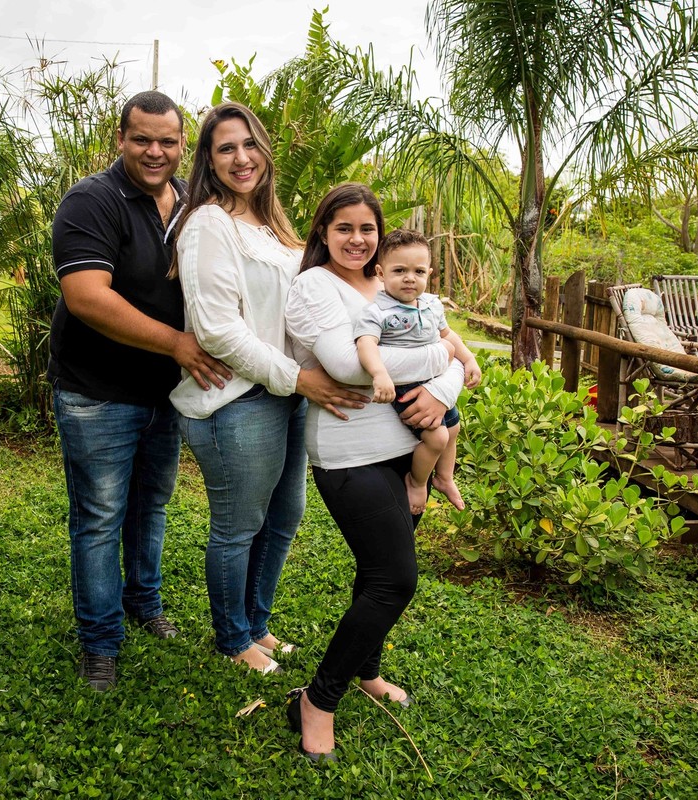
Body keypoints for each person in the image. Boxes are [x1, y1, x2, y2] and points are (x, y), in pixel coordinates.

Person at [170, 103, 366, 674]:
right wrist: (300, 377)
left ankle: (256, 623)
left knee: (283, 518)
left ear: (265, 152)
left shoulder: (277, 228)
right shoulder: (208, 222)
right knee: (238, 526)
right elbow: (216, 327)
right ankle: (232, 638)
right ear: (208, 158)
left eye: (249, 144)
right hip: (238, 399)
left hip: (286, 396)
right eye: (225, 147)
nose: (241, 157)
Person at [47, 91, 231, 692]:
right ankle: (99, 644)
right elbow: (87, 297)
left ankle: (143, 604)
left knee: (151, 506)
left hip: (163, 395)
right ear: (120, 139)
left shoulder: (191, 204)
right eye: (142, 139)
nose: (156, 151)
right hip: (97, 392)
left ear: (184, 146)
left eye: (168, 141)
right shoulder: (92, 201)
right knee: (100, 518)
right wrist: (178, 345)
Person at [283, 183, 464, 762]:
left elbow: (446, 349)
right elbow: (344, 363)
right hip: (348, 454)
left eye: (367, 229)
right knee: (395, 579)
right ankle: (317, 699)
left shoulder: (394, 286)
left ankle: (367, 671)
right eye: (344, 228)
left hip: (406, 449)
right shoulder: (316, 286)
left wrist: (442, 386)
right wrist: (447, 360)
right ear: (323, 234)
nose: (357, 239)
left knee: (376, 571)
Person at [355, 228, 482, 515]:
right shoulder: (378, 311)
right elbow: (366, 344)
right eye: (399, 270)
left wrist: (469, 359)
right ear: (380, 272)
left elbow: (448, 335)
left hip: (434, 380)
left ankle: (445, 477)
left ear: (429, 273)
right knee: (436, 438)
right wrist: (379, 374)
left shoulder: (431, 304)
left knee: (454, 428)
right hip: (405, 386)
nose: (410, 278)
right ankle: (417, 480)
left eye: (418, 271)